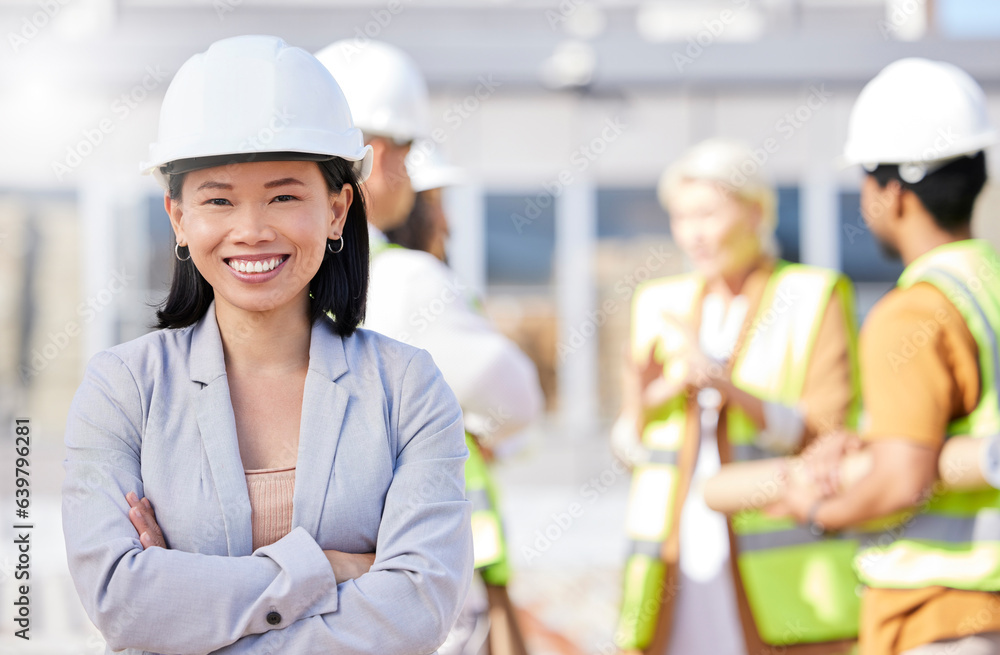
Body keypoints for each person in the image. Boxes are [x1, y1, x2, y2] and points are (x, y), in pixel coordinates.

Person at [61, 35, 473, 655]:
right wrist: (328, 567)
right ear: (178, 217)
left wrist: (194, 599)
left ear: (337, 210)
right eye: (218, 200)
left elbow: (416, 611)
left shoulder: (408, 387)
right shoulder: (124, 389)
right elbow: (124, 600)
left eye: (283, 196)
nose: (251, 230)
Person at [316, 41, 543, 655]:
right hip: (410, 583)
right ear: (383, 155)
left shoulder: (270, 280)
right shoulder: (407, 280)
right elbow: (518, 399)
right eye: (413, 156)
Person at [773, 57, 1000, 655]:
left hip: (943, 613)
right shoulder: (990, 284)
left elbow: (903, 480)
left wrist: (819, 508)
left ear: (891, 192)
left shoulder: (913, 312)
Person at [612, 138, 861, 655]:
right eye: (681, 217)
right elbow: (630, 452)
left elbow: (829, 435)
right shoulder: (658, 303)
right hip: (675, 562)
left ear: (755, 211)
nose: (693, 234)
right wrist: (644, 400)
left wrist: (727, 389)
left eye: (707, 213)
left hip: (781, 575)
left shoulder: (812, 296)